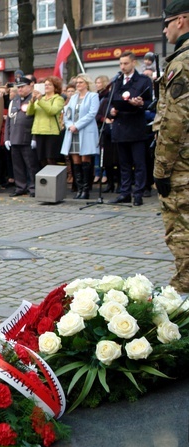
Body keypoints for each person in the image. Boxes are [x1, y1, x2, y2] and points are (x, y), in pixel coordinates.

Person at [154, 0, 189, 292]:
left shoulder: (182, 63)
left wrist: (162, 170)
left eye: (166, 23)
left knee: (182, 234)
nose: (164, 30)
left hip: (182, 167)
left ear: (181, 20)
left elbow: (174, 122)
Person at [108, 51, 153, 206]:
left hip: (136, 127)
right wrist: (111, 112)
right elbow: (109, 103)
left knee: (139, 163)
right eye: (120, 64)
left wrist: (140, 104)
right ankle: (125, 192)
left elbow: (151, 103)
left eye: (125, 63)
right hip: (120, 127)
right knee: (124, 163)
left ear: (133, 63)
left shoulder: (143, 81)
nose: (123, 66)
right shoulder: (117, 81)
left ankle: (138, 193)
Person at [60, 74, 100, 200]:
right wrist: (70, 125)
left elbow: (92, 113)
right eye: (77, 82)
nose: (78, 85)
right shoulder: (73, 97)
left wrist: (77, 125)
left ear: (87, 84)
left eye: (81, 82)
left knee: (85, 159)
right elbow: (67, 114)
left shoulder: (93, 96)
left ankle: (86, 189)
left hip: (85, 130)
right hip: (73, 131)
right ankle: (79, 187)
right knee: (75, 160)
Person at [5, 76, 38, 197]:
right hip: (14, 138)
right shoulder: (14, 100)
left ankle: (33, 187)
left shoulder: (33, 99)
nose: (20, 89)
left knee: (31, 165)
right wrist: (7, 138)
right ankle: (20, 186)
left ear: (30, 86)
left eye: (22, 86)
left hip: (27, 137)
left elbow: (36, 120)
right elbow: (9, 120)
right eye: (18, 87)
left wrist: (34, 138)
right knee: (17, 165)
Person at [28, 76, 65, 169]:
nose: (47, 86)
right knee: (41, 158)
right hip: (39, 130)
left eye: (49, 85)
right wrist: (32, 101)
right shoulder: (41, 99)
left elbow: (52, 111)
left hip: (51, 131)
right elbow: (29, 112)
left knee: (50, 158)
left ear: (55, 87)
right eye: (45, 85)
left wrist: (40, 100)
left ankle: (53, 179)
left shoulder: (58, 99)